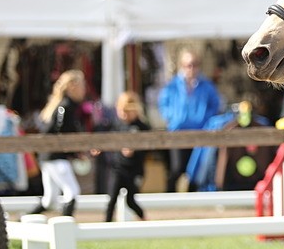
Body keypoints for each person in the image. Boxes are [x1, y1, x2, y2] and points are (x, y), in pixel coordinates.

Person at [158, 48, 223, 191]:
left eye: (194, 64)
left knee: (196, 169)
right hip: (177, 132)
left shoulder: (207, 86)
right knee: (177, 168)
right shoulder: (172, 86)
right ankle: (169, 199)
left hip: (199, 133)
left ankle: (193, 201)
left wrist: (207, 120)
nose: (192, 68)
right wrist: (172, 118)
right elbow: (163, 105)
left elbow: (216, 104)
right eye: (188, 65)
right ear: (182, 65)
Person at [32, 70, 87, 216]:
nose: (84, 90)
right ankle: (66, 226)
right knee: (72, 191)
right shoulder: (65, 106)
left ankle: (23, 220)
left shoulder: (61, 106)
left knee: (49, 200)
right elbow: (59, 131)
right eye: (82, 85)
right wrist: (75, 150)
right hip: (55, 157)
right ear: (72, 87)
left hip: (48, 157)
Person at [96, 91, 148, 222]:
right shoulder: (116, 124)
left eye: (127, 111)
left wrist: (135, 149)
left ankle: (144, 219)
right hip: (117, 168)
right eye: (122, 111)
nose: (124, 115)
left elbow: (148, 147)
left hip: (134, 170)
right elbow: (107, 138)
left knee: (130, 201)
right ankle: (105, 227)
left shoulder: (142, 127)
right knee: (111, 199)